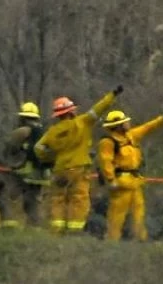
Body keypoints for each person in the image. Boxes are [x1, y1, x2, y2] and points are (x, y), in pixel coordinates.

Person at [34, 86, 122, 235]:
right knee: (78, 199)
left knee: (57, 199)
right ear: (71, 111)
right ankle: (74, 232)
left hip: (59, 171)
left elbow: (38, 148)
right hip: (79, 169)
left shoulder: (53, 131)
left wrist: (52, 158)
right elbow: (99, 108)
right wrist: (113, 95)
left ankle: (57, 232)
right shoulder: (83, 122)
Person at [97, 108, 163, 241]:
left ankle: (140, 239)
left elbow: (147, 127)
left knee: (139, 213)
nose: (128, 123)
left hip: (135, 181)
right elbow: (106, 162)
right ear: (118, 126)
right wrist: (111, 180)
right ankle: (111, 241)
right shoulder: (108, 142)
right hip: (121, 183)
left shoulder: (131, 136)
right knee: (117, 215)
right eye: (125, 122)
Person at [0, 102, 50, 228]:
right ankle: (34, 227)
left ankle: (9, 226)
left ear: (23, 118)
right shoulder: (44, 132)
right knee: (33, 202)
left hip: (23, 172)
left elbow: (9, 147)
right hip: (41, 174)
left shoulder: (21, 131)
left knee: (8, 197)